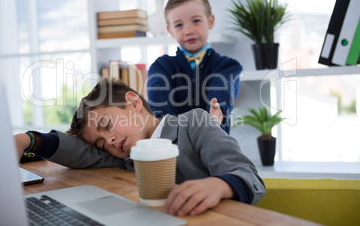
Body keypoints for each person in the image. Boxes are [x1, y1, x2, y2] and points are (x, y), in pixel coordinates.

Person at [15, 78, 265, 217]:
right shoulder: (127, 157)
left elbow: (249, 177)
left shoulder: (194, 123)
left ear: (133, 102)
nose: (109, 142)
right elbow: (81, 152)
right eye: (101, 144)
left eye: (107, 124)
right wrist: (28, 140)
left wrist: (219, 184)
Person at [147, 0, 243, 134]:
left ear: (210, 21)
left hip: (214, 147)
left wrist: (216, 112)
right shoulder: (161, 67)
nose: (188, 30)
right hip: (175, 149)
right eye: (179, 25)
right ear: (170, 31)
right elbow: (162, 115)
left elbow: (221, 89)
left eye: (196, 21)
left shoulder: (227, 66)